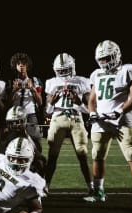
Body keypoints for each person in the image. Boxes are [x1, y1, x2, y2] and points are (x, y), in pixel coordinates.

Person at [83, 40, 132, 213]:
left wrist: (119, 111)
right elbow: (92, 100)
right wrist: (92, 113)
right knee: (97, 154)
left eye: (107, 58)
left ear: (116, 55)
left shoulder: (128, 69)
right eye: (101, 59)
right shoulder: (96, 74)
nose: (104, 62)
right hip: (101, 121)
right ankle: (99, 192)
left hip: (122, 120)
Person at [43, 53, 93, 195]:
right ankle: (46, 186)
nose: (63, 74)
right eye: (61, 71)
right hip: (57, 117)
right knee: (52, 155)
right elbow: (47, 111)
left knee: (82, 154)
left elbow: (89, 110)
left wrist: (79, 103)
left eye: (66, 70)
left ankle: (91, 187)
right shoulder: (51, 82)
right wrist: (51, 103)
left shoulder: (82, 81)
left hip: (76, 117)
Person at [6, 53, 43, 153]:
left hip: (30, 114)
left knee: (35, 142)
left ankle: (37, 163)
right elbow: (8, 104)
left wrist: (32, 89)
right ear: (15, 66)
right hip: (15, 116)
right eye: (18, 64)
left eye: (23, 63)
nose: (21, 65)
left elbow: (40, 102)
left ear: (27, 65)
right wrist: (14, 90)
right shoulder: (10, 81)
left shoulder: (35, 81)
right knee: (12, 141)